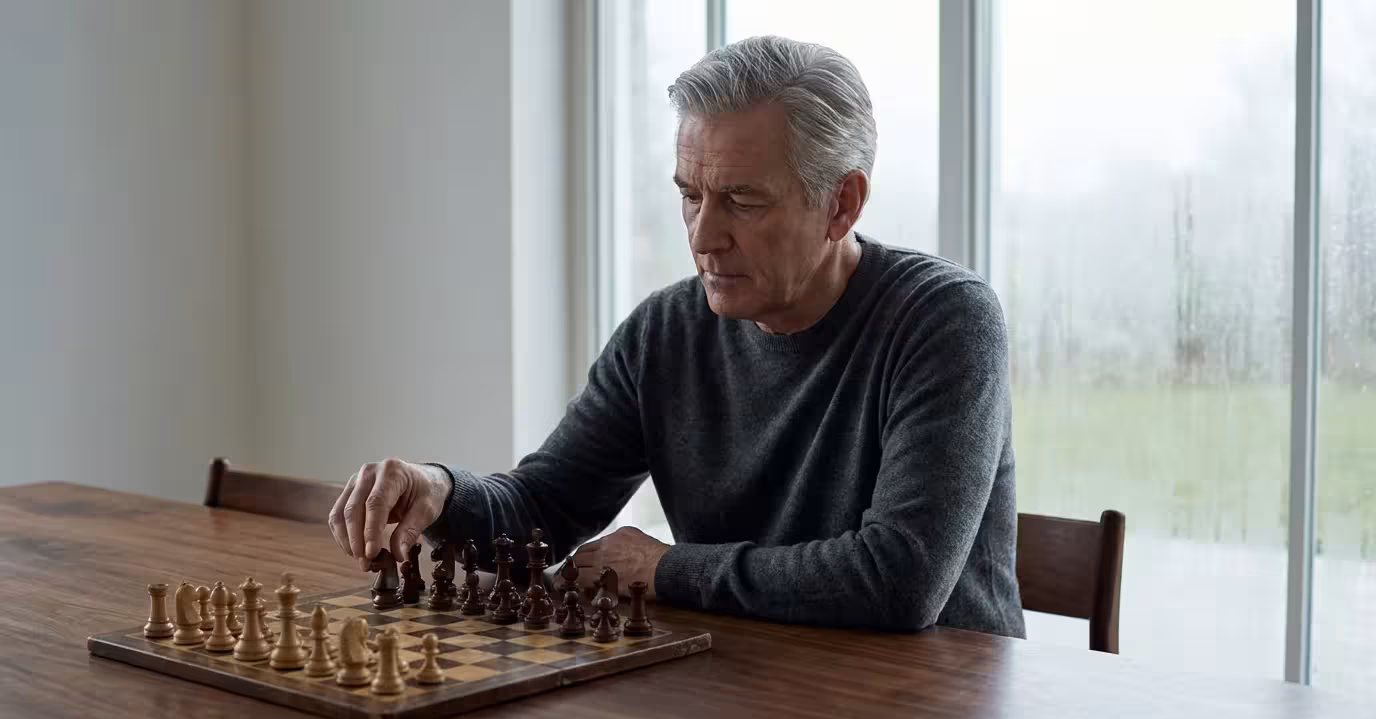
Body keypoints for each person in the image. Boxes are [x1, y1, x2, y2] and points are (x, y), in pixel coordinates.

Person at [326, 35, 1025, 636]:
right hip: (750, 691)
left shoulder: (946, 320)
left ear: (840, 203)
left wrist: (667, 569)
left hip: (936, 712)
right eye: (690, 194)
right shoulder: (665, 331)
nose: (702, 236)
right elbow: (546, 508)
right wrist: (442, 492)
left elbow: (899, 581)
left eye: (742, 201)